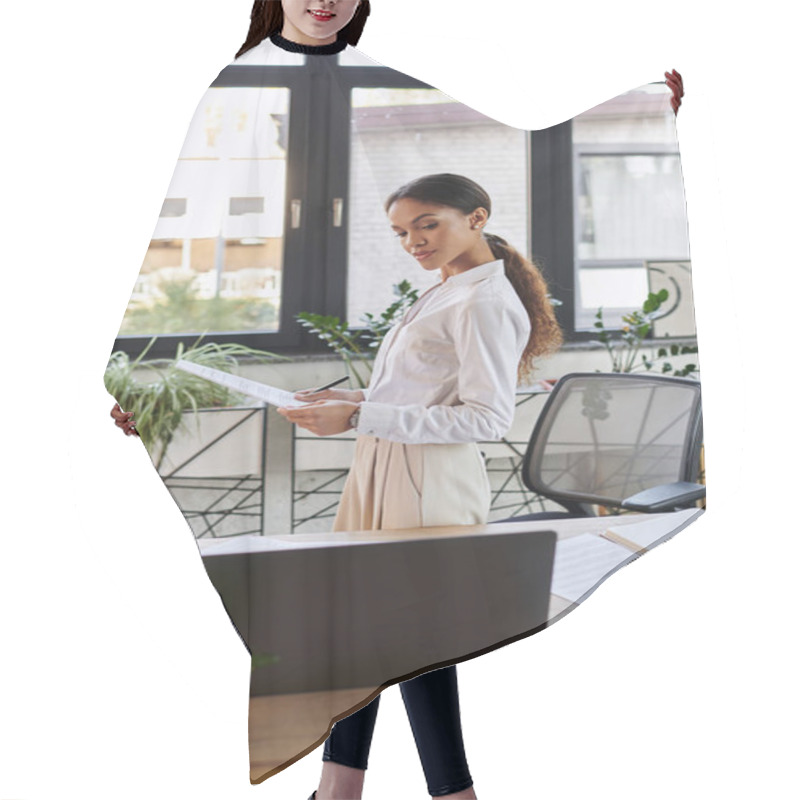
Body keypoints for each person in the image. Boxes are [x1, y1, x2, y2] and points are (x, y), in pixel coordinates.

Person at [276, 170, 562, 799]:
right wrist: (352, 399)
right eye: (403, 231)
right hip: (384, 470)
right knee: (360, 634)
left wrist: (357, 415)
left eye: (427, 224)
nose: (414, 241)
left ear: (477, 218)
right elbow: (425, 390)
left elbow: (487, 418)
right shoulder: (447, 289)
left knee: (411, 645)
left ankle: (444, 795)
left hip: (428, 481)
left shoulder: (484, 300)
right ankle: (338, 788)